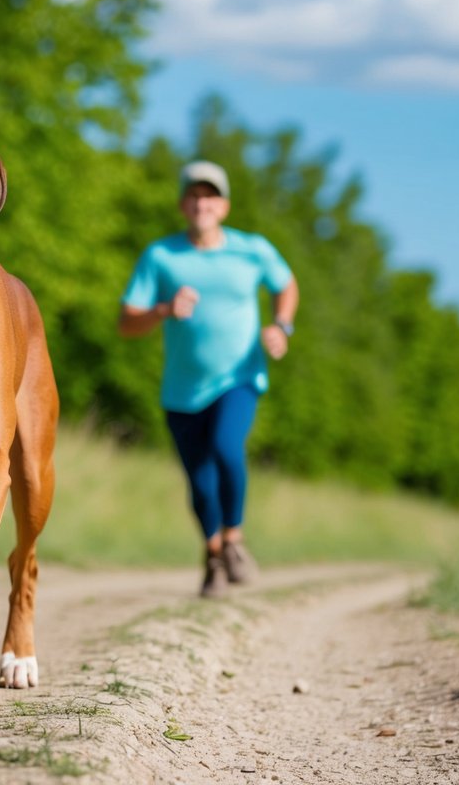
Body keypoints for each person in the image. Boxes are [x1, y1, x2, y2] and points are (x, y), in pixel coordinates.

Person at [118, 160, 299, 598]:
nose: (203, 203)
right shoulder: (161, 256)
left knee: (225, 447)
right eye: (195, 195)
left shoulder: (251, 250)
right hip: (182, 389)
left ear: (225, 205)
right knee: (199, 481)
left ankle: (233, 538)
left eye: (211, 195)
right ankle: (214, 556)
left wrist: (282, 326)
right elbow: (127, 321)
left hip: (239, 375)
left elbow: (286, 285)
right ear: (184, 204)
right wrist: (163, 309)